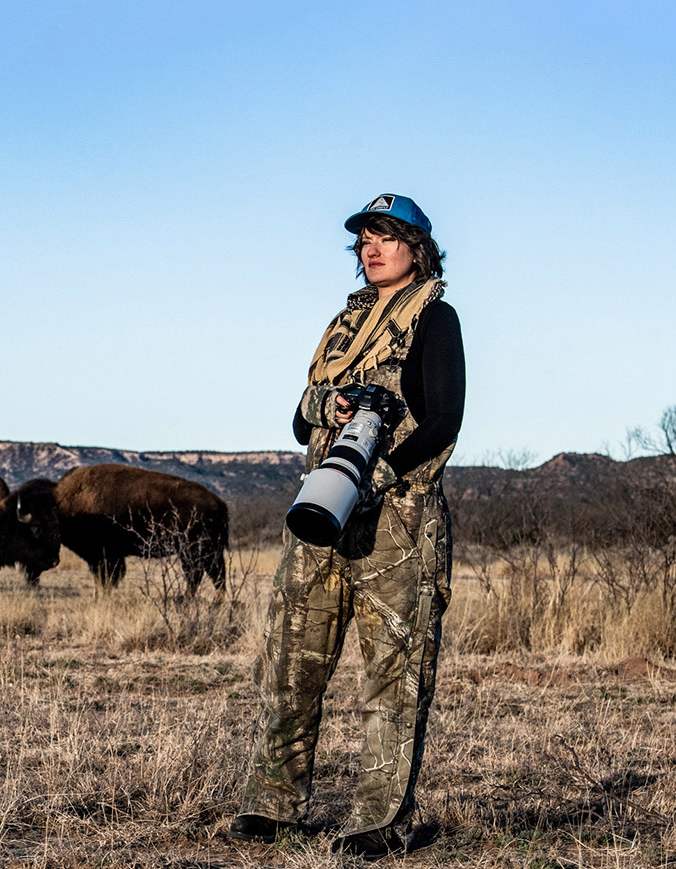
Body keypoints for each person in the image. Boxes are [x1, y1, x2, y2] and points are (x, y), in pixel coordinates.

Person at [224, 193, 465, 859]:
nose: (372, 247)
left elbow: (444, 420)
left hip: (398, 521)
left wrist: (379, 470)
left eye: (387, 237)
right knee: (290, 662)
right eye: (364, 238)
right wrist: (329, 402)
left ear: (417, 248)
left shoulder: (434, 317)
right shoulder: (342, 324)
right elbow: (302, 423)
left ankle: (378, 822)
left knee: (394, 671)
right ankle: (274, 807)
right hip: (321, 510)